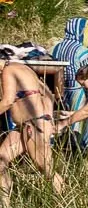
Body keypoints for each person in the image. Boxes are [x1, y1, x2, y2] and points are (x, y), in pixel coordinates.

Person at [0, 55, 65, 193]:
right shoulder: (25, 69)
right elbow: (46, 94)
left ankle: (68, 205)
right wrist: (47, 118)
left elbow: (7, 101)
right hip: (28, 125)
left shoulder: (9, 70)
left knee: (47, 169)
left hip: (32, 126)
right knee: (1, 161)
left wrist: (42, 121)